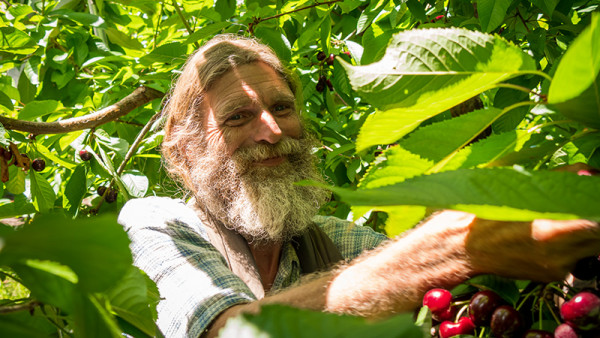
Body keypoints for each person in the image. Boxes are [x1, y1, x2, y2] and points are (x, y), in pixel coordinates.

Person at [118, 34, 600, 338]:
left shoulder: (339, 241)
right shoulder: (156, 225)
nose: (272, 131)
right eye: (238, 117)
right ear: (184, 150)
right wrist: (452, 247)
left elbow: (458, 296)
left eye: (282, 108)